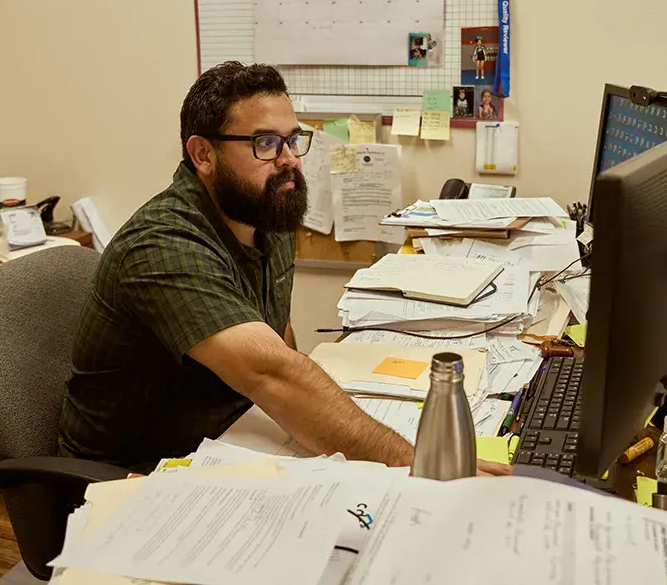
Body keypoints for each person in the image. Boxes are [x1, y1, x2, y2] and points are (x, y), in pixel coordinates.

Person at [59, 61, 510, 476]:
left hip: (231, 436)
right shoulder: (162, 246)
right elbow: (271, 372)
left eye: (293, 139)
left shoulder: (264, 212)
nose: (290, 159)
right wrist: (418, 461)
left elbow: (277, 336)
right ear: (203, 155)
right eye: (265, 143)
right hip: (135, 476)